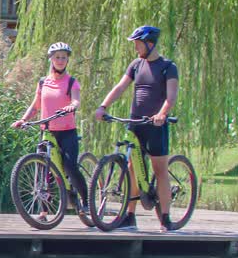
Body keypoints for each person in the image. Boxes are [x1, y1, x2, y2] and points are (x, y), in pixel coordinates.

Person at [94, 26, 179, 231]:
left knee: (160, 170)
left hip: (155, 125)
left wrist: (162, 114)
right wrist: (103, 106)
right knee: (132, 168)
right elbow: (120, 87)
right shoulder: (136, 65)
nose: (135, 48)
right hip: (136, 123)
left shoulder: (168, 66)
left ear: (149, 43)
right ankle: (130, 215)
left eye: (137, 44)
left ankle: (165, 218)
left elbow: (171, 97)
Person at [12, 42, 90, 213]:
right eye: (57, 57)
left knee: (69, 166)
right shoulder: (43, 82)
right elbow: (36, 105)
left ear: (67, 60)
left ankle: (85, 201)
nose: (60, 60)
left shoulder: (71, 82)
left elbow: (76, 100)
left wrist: (72, 106)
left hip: (67, 132)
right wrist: (23, 120)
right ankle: (44, 211)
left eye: (64, 57)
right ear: (51, 59)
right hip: (47, 131)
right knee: (43, 169)